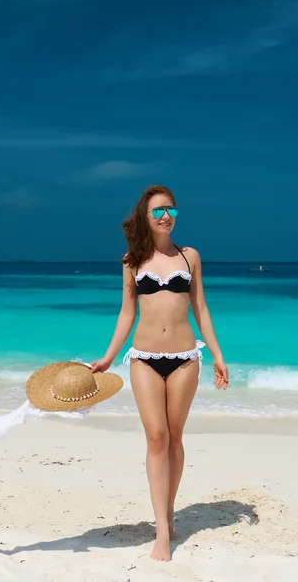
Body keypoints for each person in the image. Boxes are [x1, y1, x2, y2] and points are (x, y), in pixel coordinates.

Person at [90, 184, 229, 561]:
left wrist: (216, 352)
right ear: (145, 216)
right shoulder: (131, 260)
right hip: (144, 359)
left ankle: (168, 513)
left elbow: (200, 307)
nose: (166, 215)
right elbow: (126, 313)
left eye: (171, 209)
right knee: (156, 437)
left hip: (185, 356)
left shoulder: (190, 257)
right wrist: (107, 358)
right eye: (157, 211)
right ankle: (162, 530)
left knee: (175, 437)